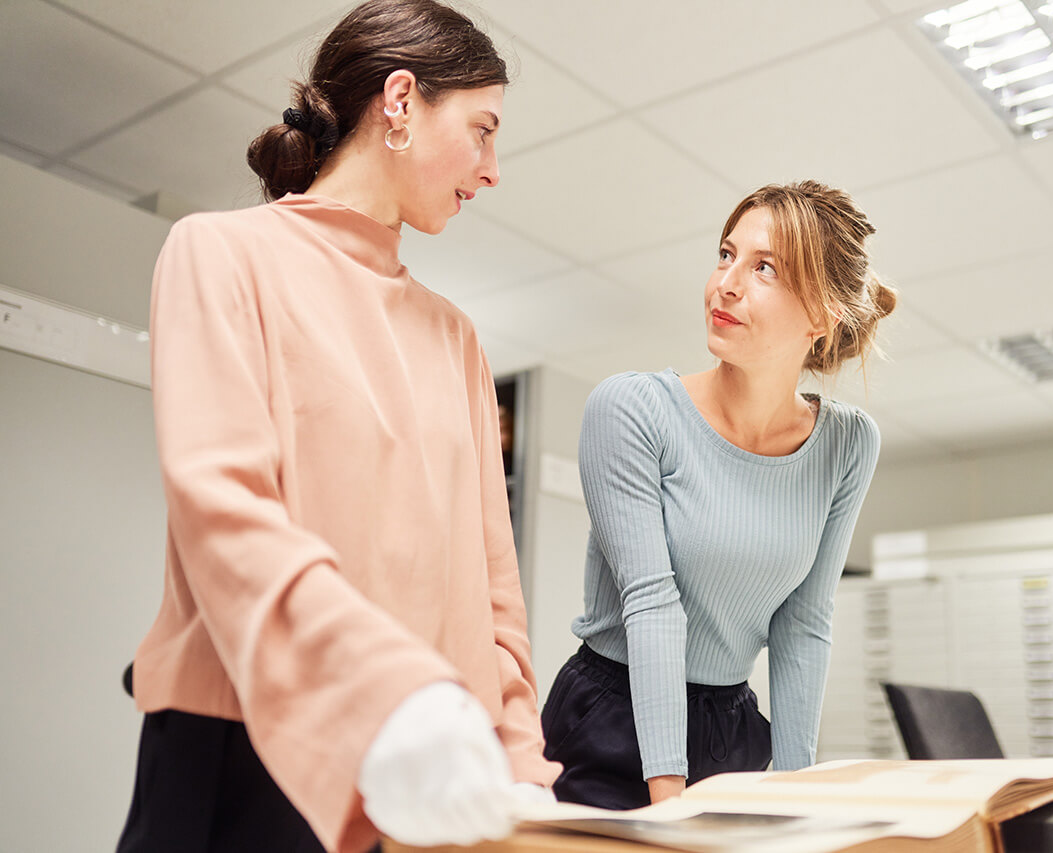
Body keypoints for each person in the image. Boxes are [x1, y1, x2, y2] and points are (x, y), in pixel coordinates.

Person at [115, 2, 559, 852]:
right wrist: (389, 694)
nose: (493, 168)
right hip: (244, 746)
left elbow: (493, 590)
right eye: (483, 130)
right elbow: (224, 512)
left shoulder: (456, 337)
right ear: (400, 100)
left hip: (424, 768)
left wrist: (520, 761)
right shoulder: (219, 253)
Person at [541, 181, 895, 810]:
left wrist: (794, 793)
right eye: (726, 254)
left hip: (732, 726)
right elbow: (651, 605)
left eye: (765, 268)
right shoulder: (633, 409)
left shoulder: (847, 443)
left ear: (821, 316)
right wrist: (669, 802)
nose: (726, 283)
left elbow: (804, 624)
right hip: (612, 719)